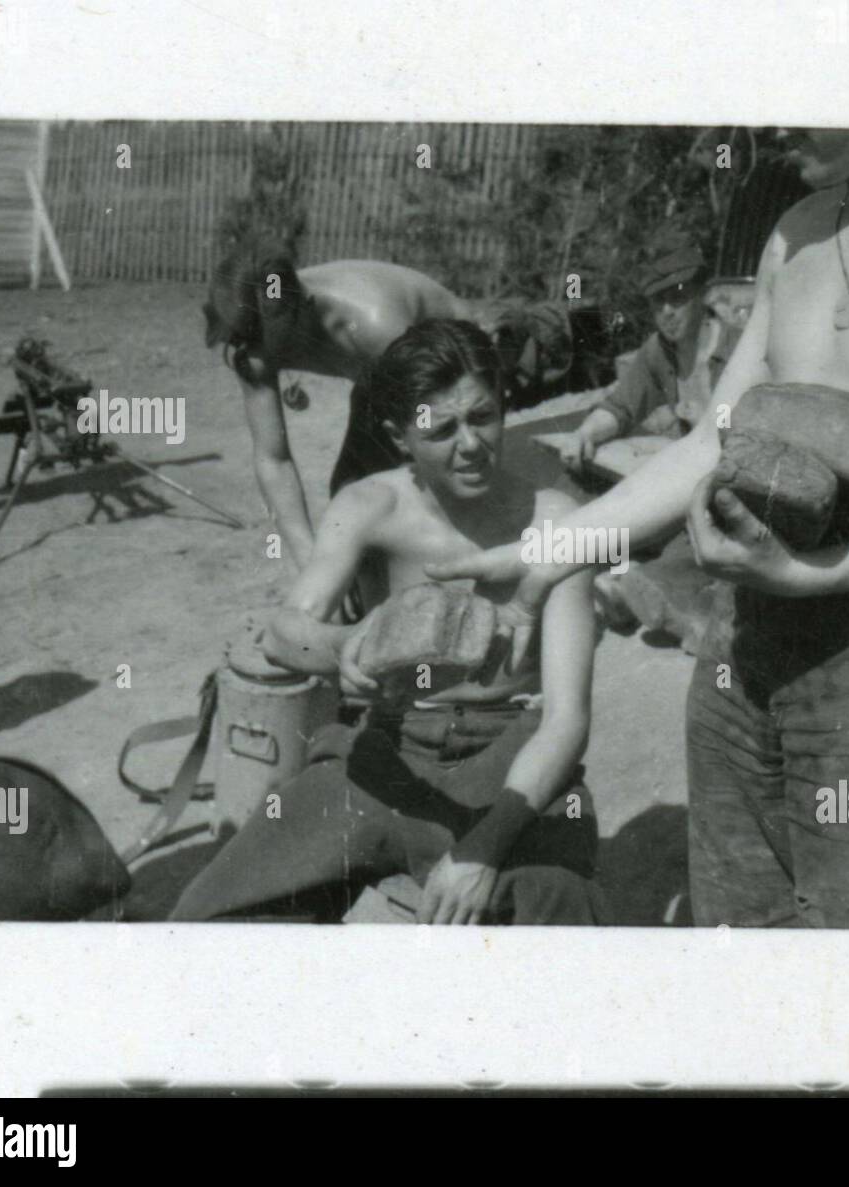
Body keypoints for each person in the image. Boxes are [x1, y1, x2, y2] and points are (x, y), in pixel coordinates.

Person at [430, 130, 849, 930]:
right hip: (744, 653)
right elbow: (710, 441)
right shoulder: (797, 230)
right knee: (746, 955)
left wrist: (817, 572)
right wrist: (551, 552)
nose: (765, 132)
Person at [171, 319, 605, 925]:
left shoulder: (556, 521)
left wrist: (483, 849)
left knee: (560, 915)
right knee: (207, 915)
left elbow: (567, 718)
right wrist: (349, 645)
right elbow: (284, 629)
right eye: (442, 429)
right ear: (399, 437)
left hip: (509, 753)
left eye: (483, 416)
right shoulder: (370, 506)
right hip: (388, 750)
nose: (472, 444)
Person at [203, 237, 470, 569]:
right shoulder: (256, 331)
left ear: (302, 308)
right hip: (378, 375)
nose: (252, 351)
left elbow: (428, 428)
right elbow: (273, 459)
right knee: (349, 495)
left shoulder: (374, 324)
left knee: (417, 493)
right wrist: (311, 564)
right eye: (243, 336)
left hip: (458, 357)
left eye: (260, 336)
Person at [559, 225, 735, 472]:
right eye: (657, 300)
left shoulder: (737, 351)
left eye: (677, 297)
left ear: (704, 294)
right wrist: (584, 433)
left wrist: (711, 422)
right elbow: (621, 407)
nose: (666, 312)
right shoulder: (659, 351)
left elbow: (751, 439)